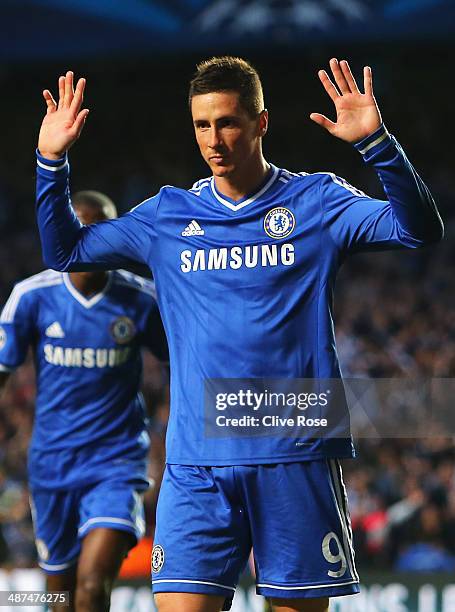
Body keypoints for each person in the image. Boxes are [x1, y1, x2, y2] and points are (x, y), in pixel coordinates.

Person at [34, 57, 443, 612]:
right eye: (202, 125)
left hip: (294, 448)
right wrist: (51, 161)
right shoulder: (168, 216)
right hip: (196, 461)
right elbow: (66, 251)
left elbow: (417, 230)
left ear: (260, 123)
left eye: (227, 122)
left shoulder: (317, 202)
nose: (214, 139)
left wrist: (376, 143)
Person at [0, 190, 168, 611]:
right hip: (51, 465)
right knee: (61, 594)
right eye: (78, 228)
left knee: (93, 587)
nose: (88, 239)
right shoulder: (32, 296)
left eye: (100, 230)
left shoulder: (142, 298)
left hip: (116, 463)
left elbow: (185, 357)